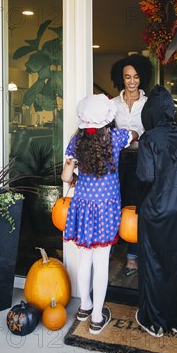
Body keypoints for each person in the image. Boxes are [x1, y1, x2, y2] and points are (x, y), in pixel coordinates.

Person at [61, 94, 132, 335]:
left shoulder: (76, 142)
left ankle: (84, 307)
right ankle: (97, 318)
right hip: (106, 208)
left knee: (85, 259)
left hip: (82, 205)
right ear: (106, 118)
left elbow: (66, 178)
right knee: (102, 262)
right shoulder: (116, 137)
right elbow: (135, 135)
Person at [135, 85, 177, 338]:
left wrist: (136, 203)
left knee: (153, 266)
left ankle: (154, 322)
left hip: (155, 211)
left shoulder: (147, 139)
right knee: (176, 264)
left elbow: (145, 177)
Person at [110, 53, 153, 276]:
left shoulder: (148, 103)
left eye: (136, 77)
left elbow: (154, 133)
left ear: (141, 77)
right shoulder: (112, 104)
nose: (132, 81)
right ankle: (108, 246)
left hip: (140, 159)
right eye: (127, 77)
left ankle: (133, 256)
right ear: (122, 78)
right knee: (115, 202)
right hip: (117, 160)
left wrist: (139, 135)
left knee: (135, 207)